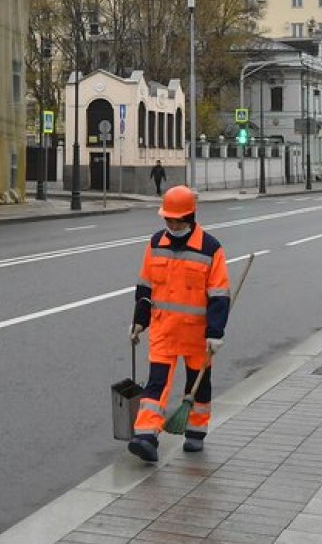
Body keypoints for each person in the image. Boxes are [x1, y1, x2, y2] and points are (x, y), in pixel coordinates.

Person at [127, 185, 230, 462]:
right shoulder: (155, 243)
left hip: (198, 334)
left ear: (190, 217)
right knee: (156, 384)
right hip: (164, 330)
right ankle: (146, 435)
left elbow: (219, 295)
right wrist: (139, 321)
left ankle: (195, 432)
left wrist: (215, 333)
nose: (172, 225)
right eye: (168, 220)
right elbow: (145, 287)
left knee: (199, 384)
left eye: (177, 220)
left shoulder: (210, 248)